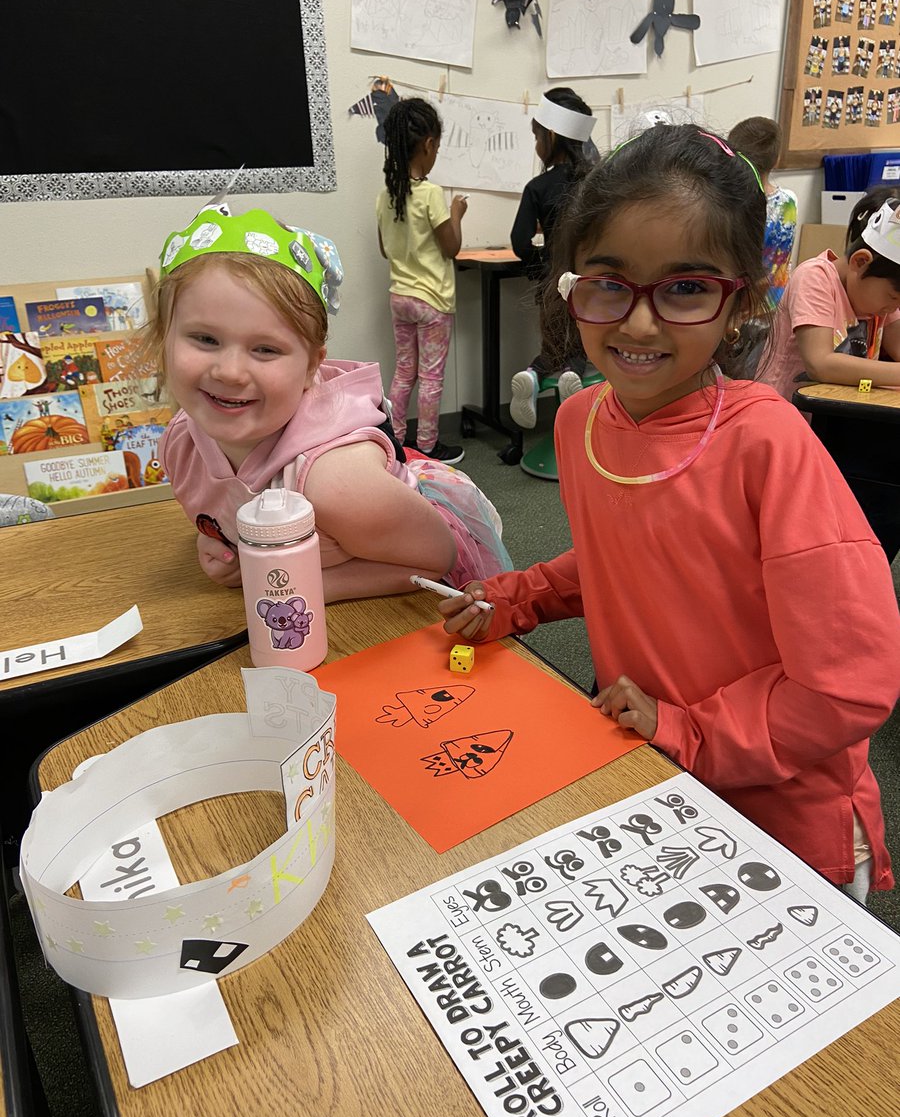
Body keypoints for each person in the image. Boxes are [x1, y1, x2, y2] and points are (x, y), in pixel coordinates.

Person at [438, 124, 900, 902]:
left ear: (740, 301)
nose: (639, 323)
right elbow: (628, 560)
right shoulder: (580, 421)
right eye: (609, 282)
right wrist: (513, 599)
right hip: (654, 782)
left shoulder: (768, 444)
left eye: (685, 288)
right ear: (570, 284)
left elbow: (848, 686)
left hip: (785, 827)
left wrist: (689, 730)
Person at [150, 202, 511, 602]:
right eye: (205, 339)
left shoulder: (336, 483)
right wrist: (225, 546)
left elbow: (435, 559)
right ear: (164, 336)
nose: (230, 372)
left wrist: (282, 583)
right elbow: (222, 511)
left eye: (266, 349)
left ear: (311, 368)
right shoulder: (181, 442)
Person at [376, 97, 467, 465]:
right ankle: (428, 446)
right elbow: (452, 248)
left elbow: (385, 249)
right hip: (431, 302)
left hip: (400, 296)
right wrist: (457, 213)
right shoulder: (431, 194)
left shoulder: (385, 196)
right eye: (437, 148)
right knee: (430, 378)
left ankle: (395, 441)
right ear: (428, 145)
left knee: (403, 373)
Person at [508, 89, 597, 429]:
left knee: (553, 346)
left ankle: (533, 374)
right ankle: (571, 377)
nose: (536, 144)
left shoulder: (538, 186)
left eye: (536, 136)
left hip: (552, 283)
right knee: (581, 346)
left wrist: (540, 269)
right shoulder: (596, 182)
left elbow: (519, 241)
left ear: (553, 134)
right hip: (590, 284)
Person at [763, 185, 900, 401]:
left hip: (840, 416)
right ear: (861, 262)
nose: (895, 307)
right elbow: (820, 363)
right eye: (894, 297)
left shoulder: (878, 296)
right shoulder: (815, 278)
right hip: (788, 414)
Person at [726, 116, 798, 310]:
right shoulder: (789, 201)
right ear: (776, 160)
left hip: (741, 307)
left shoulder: (729, 205)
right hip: (777, 303)